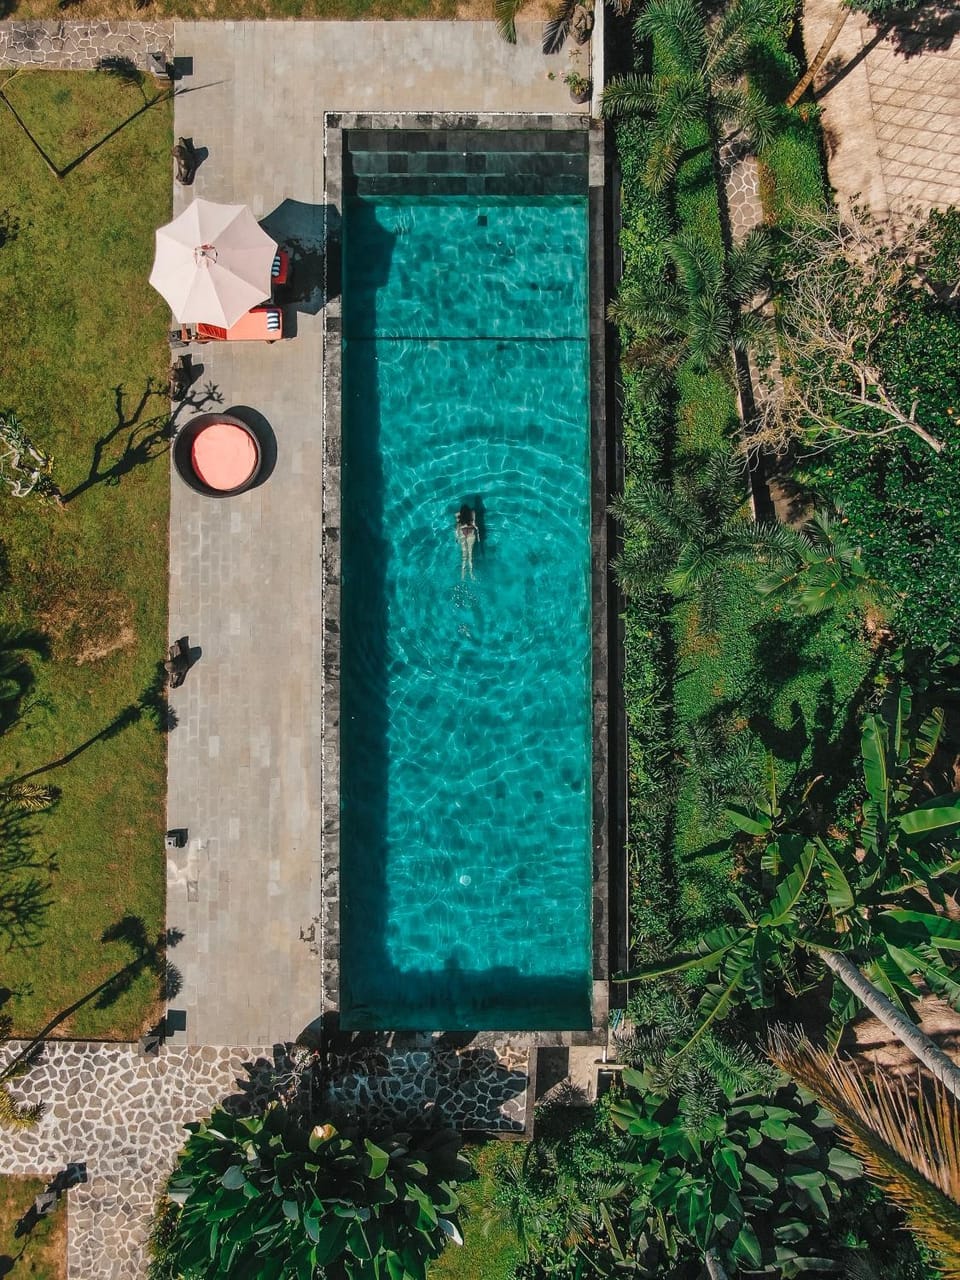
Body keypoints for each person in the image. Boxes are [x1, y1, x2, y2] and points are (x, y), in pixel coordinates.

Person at [455, 503, 479, 580]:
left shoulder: (457, 515)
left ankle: (462, 574)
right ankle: (471, 574)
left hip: (462, 531)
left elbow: (457, 528)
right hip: (470, 531)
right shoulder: (472, 513)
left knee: (464, 555)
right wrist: (478, 536)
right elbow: (475, 526)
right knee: (470, 554)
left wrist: (457, 538)